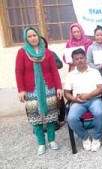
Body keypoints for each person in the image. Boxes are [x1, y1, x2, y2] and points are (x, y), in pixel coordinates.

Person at [15, 27, 63, 155]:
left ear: (38, 36)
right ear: (26, 38)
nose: (32, 38)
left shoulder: (47, 52)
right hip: (31, 90)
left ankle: (52, 140)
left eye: (34, 35)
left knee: (51, 116)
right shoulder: (22, 52)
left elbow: (54, 71)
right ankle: (41, 143)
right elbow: (19, 71)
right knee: (35, 117)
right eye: (29, 36)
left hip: (48, 88)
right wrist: (21, 90)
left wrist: (59, 87)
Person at [64, 48, 102, 152]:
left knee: (99, 113)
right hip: (78, 102)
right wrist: (74, 99)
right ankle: (85, 138)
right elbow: (66, 93)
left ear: (85, 58)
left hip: (94, 99)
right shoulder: (70, 75)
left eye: (81, 58)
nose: (79, 60)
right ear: (73, 61)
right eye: (76, 59)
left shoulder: (94, 72)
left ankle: (96, 138)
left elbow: (101, 88)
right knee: (71, 118)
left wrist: (87, 95)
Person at [41, 36, 65, 128]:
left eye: (43, 43)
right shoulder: (32, 55)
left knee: (59, 99)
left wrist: (50, 64)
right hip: (40, 83)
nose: (42, 45)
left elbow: (60, 64)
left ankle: (61, 118)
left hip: (52, 80)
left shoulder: (51, 53)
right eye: (40, 43)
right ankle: (45, 121)